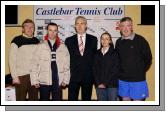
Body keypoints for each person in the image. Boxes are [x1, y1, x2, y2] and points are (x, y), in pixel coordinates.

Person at [30, 22, 70, 101]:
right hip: (44, 80)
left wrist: (66, 79)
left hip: (58, 80)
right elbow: (34, 64)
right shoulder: (40, 46)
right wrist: (34, 80)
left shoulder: (63, 47)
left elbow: (67, 65)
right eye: (50, 30)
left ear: (57, 32)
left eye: (55, 30)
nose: (52, 32)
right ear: (47, 31)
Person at [115, 17, 152, 101]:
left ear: (131, 27)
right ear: (120, 28)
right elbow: (117, 60)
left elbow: (148, 58)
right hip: (122, 80)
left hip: (137, 80)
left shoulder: (141, 40)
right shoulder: (118, 42)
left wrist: (139, 70)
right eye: (123, 26)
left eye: (128, 26)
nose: (125, 28)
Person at [65, 16, 97, 100]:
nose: (79, 26)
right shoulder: (68, 41)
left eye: (82, 23)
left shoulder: (93, 40)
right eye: (77, 24)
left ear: (86, 25)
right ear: (75, 26)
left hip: (88, 77)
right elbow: (66, 60)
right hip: (73, 77)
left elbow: (95, 59)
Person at [9, 19, 40, 101]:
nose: (30, 29)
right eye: (27, 26)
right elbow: (12, 60)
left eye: (32, 27)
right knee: (20, 100)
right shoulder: (16, 40)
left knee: (34, 100)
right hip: (21, 76)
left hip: (34, 76)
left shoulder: (37, 41)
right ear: (23, 29)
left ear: (34, 29)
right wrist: (15, 77)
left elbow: (39, 59)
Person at [93, 32, 119, 101]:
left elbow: (115, 70)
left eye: (107, 39)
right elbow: (94, 69)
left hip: (112, 85)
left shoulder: (115, 53)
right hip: (99, 85)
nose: (104, 41)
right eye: (102, 39)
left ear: (110, 41)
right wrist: (98, 83)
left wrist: (105, 83)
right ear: (100, 40)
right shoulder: (96, 53)